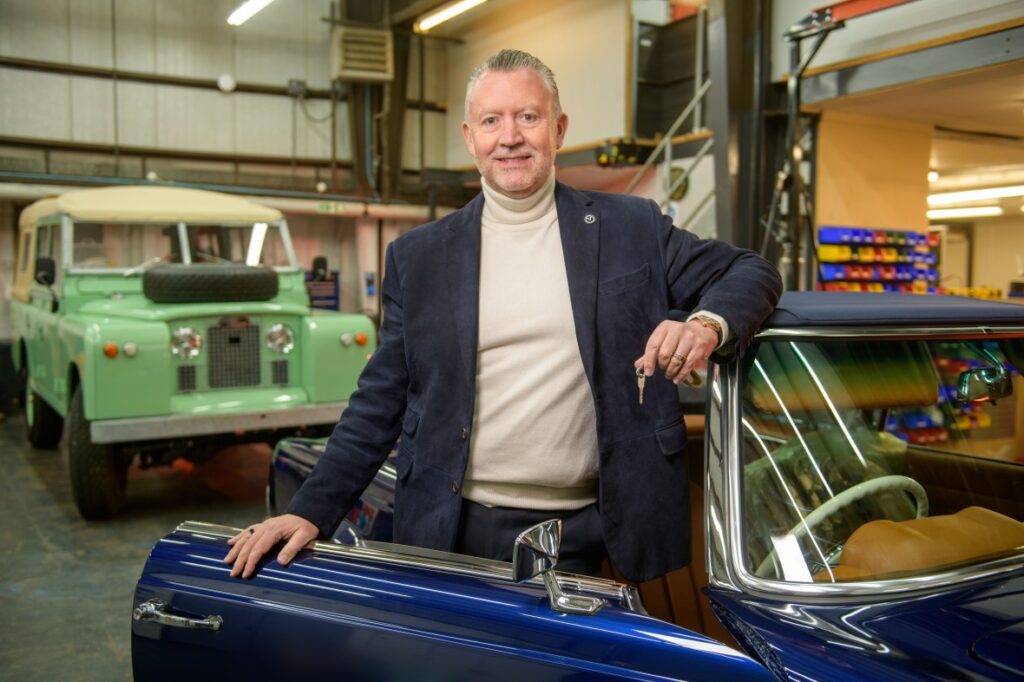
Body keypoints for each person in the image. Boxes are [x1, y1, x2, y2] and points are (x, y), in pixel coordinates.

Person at [225, 49, 781, 583]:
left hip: (587, 531)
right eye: (491, 120)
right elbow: (381, 397)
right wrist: (310, 511)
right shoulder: (419, 257)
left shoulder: (631, 228)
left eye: (528, 117)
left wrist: (705, 324)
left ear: (559, 130)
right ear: (471, 139)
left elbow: (753, 271)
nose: (510, 136)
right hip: (451, 527)